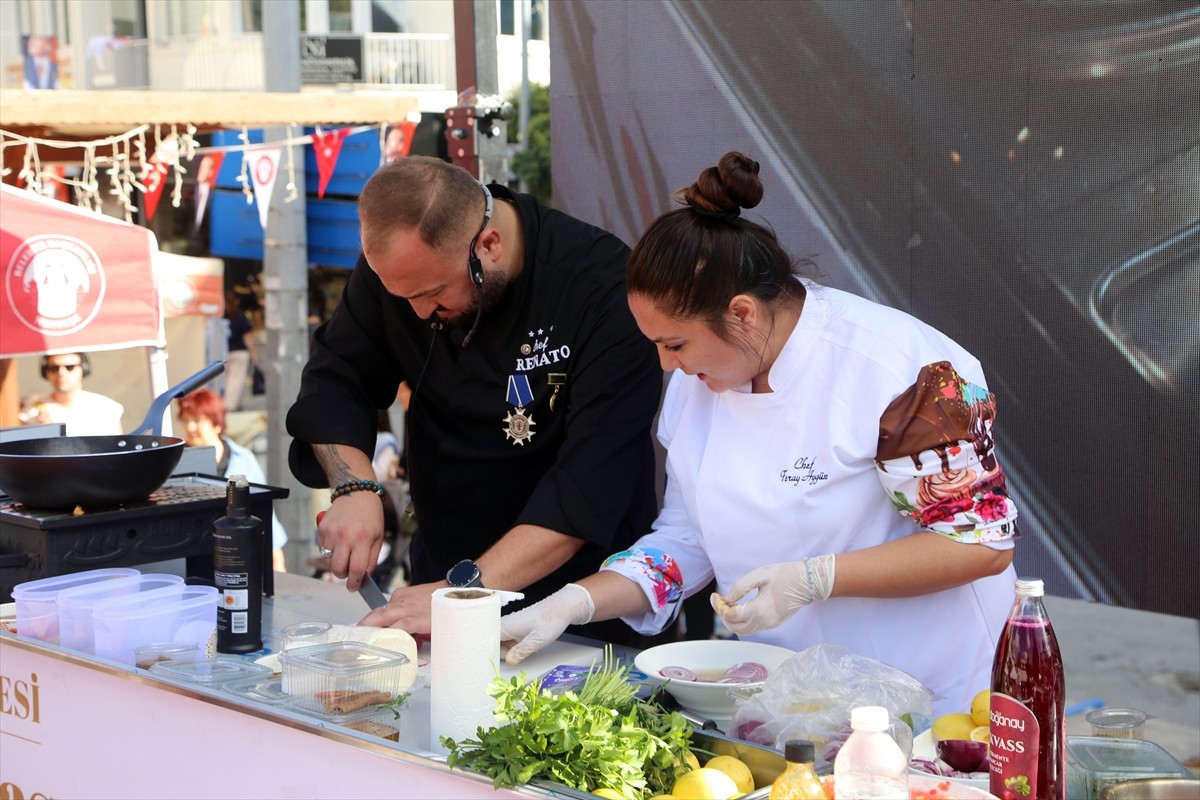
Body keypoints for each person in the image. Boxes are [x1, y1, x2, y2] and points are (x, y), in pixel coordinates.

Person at [498, 152, 1019, 717]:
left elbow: (979, 542)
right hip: (789, 699)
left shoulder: (901, 370)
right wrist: (575, 602)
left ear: (742, 314)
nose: (666, 366)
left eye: (675, 344)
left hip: (935, 693)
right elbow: (685, 541)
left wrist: (816, 579)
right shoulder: (698, 386)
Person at [285, 156, 664, 645]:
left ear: (489, 245)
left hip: (579, 603)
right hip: (440, 574)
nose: (418, 313)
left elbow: (588, 485)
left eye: (433, 293)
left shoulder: (604, 289)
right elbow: (336, 378)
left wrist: (462, 595)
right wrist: (353, 487)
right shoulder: (404, 273)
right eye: (402, 298)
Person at [177, 389, 288, 572]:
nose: (190, 428)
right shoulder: (178, 463)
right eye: (185, 420)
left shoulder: (244, 459)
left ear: (216, 424)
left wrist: (277, 561)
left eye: (196, 420)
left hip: (241, 557)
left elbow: (265, 513)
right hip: (193, 560)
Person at [19, 352, 123, 435]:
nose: (61, 373)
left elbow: (119, 451)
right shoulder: (31, 407)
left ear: (84, 369)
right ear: (46, 372)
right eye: (54, 368)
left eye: (70, 367)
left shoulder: (106, 408)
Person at [223, 288, 255, 412]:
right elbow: (247, 337)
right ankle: (230, 406)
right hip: (240, 352)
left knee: (226, 381)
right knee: (236, 381)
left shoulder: (220, 316)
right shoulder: (240, 316)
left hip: (224, 353)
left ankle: (230, 404)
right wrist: (253, 354)